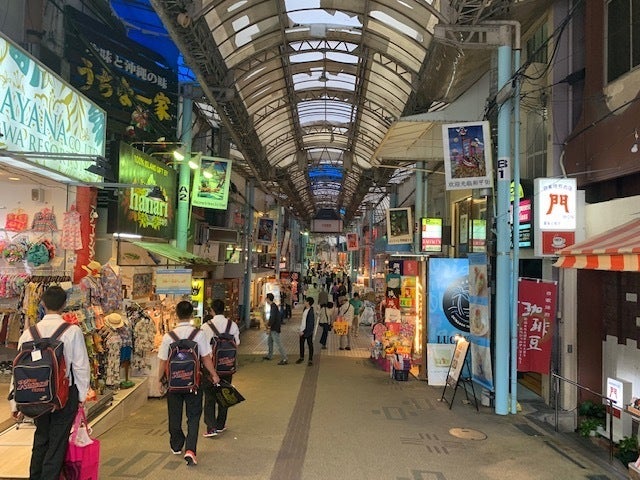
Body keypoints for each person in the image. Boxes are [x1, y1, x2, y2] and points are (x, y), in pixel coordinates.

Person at [9, 285, 91, 480]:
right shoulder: (72, 331)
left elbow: (19, 369)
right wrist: (81, 397)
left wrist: (15, 402)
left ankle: (35, 476)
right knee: (57, 443)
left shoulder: (29, 333)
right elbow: (81, 367)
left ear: (43, 304)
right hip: (64, 395)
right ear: (64, 305)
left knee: (41, 438)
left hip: (35, 394)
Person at [157, 301, 220, 466]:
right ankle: (190, 450)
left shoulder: (168, 336)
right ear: (192, 315)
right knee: (193, 416)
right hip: (194, 383)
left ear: (176, 315)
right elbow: (206, 358)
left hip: (174, 384)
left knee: (174, 415)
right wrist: (214, 374)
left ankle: (177, 444)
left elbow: (163, 361)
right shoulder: (199, 335)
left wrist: (159, 381)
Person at [201, 299, 240, 438]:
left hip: (211, 366)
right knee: (224, 393)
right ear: (224, 310)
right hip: (227, 366)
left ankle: (211, 428)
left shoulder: (206, 326)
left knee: (210, 397)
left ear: (212, 310)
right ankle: (221, 424)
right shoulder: (232, 325)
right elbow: (237, 343)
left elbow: (202, 348)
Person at [263, 293, 288, 365]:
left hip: (274, 328)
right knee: (269, 342)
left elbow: (272, 318)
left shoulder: (273, 307)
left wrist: (268, 325)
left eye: (266, 298)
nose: (265, 300)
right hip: (273, 328)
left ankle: (285, 358)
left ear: (268, 299)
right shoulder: (273, 306)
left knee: (278, 343)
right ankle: (270, 355)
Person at [296, 297, 315, 366]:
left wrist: (304, 331)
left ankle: (310, 359)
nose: (304, 302)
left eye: (305, 301)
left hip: (308, 331)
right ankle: (301, 357)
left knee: (310, 345)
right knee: (301, 344)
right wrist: (300, 329)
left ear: (308, 302)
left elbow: (310, 324)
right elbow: (303, 320)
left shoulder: (311, 312)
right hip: (302, 329)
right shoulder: (305, 309)